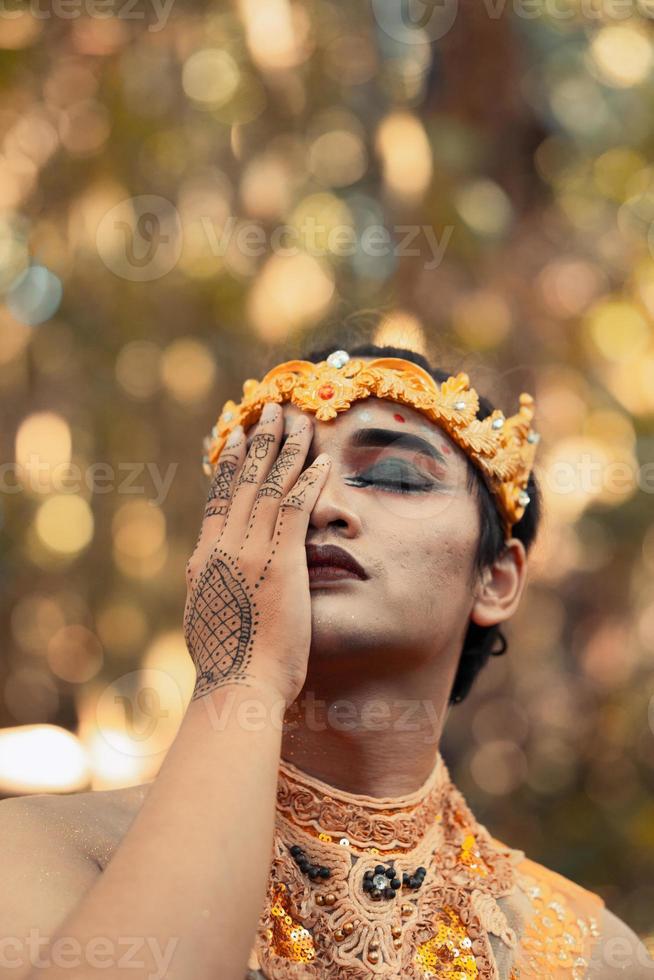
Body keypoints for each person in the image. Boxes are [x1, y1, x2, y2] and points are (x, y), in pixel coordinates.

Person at [0, 342, 650, 980]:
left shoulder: (584, 954)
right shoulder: (36, 852)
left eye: (395, 477)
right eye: (272, 481)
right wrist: (242, 674)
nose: (319, 507)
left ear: (497, 579)